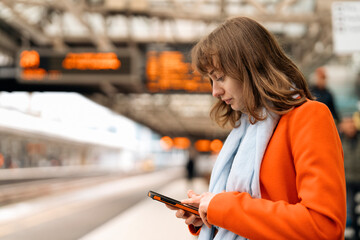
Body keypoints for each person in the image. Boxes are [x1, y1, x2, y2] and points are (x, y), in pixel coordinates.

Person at [167, 17, 346, 239]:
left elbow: (323, 226)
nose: (215, 91)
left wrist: (222, 207)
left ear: (250, 68)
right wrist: (207, 211)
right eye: (211, 81)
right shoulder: (243, 131)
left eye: (220, 77)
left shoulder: (309, 117)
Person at [339, 116, 360, 240]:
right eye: (347, 123)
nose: (350, 126)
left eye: (352, 123)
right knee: (349, 208)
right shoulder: (339, 140)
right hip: (347, 180)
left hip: (359, 178)